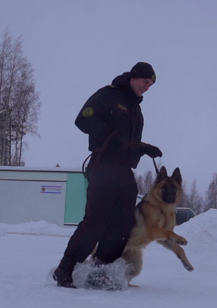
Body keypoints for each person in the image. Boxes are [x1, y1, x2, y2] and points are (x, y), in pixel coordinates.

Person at [52, 62, 162, 288]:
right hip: (103, 165)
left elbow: (127, 143)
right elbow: (83, 119)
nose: (147, 87)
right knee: (96, 220)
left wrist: (144, 148)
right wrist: (103, 132)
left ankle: (101, 269)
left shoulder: (136, 110)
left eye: (150, 85)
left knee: (122, 224)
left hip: (124, 171)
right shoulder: (108, 95)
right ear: (134, 77)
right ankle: (65, 268)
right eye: (145, 82)